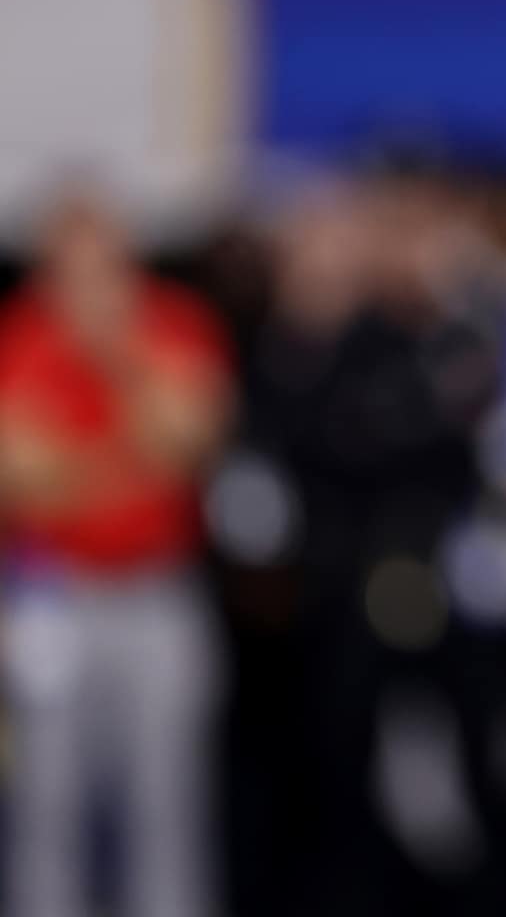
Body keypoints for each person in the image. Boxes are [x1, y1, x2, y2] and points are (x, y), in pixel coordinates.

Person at [0, 187, 232, 917]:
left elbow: (190, 441)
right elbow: (22, 479)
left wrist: (119, 355)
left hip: (157, 589)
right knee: (46, 796)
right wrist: (129, 463)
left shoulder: (175, 324)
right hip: (53, 591)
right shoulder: (20, 334)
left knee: (167, 794)